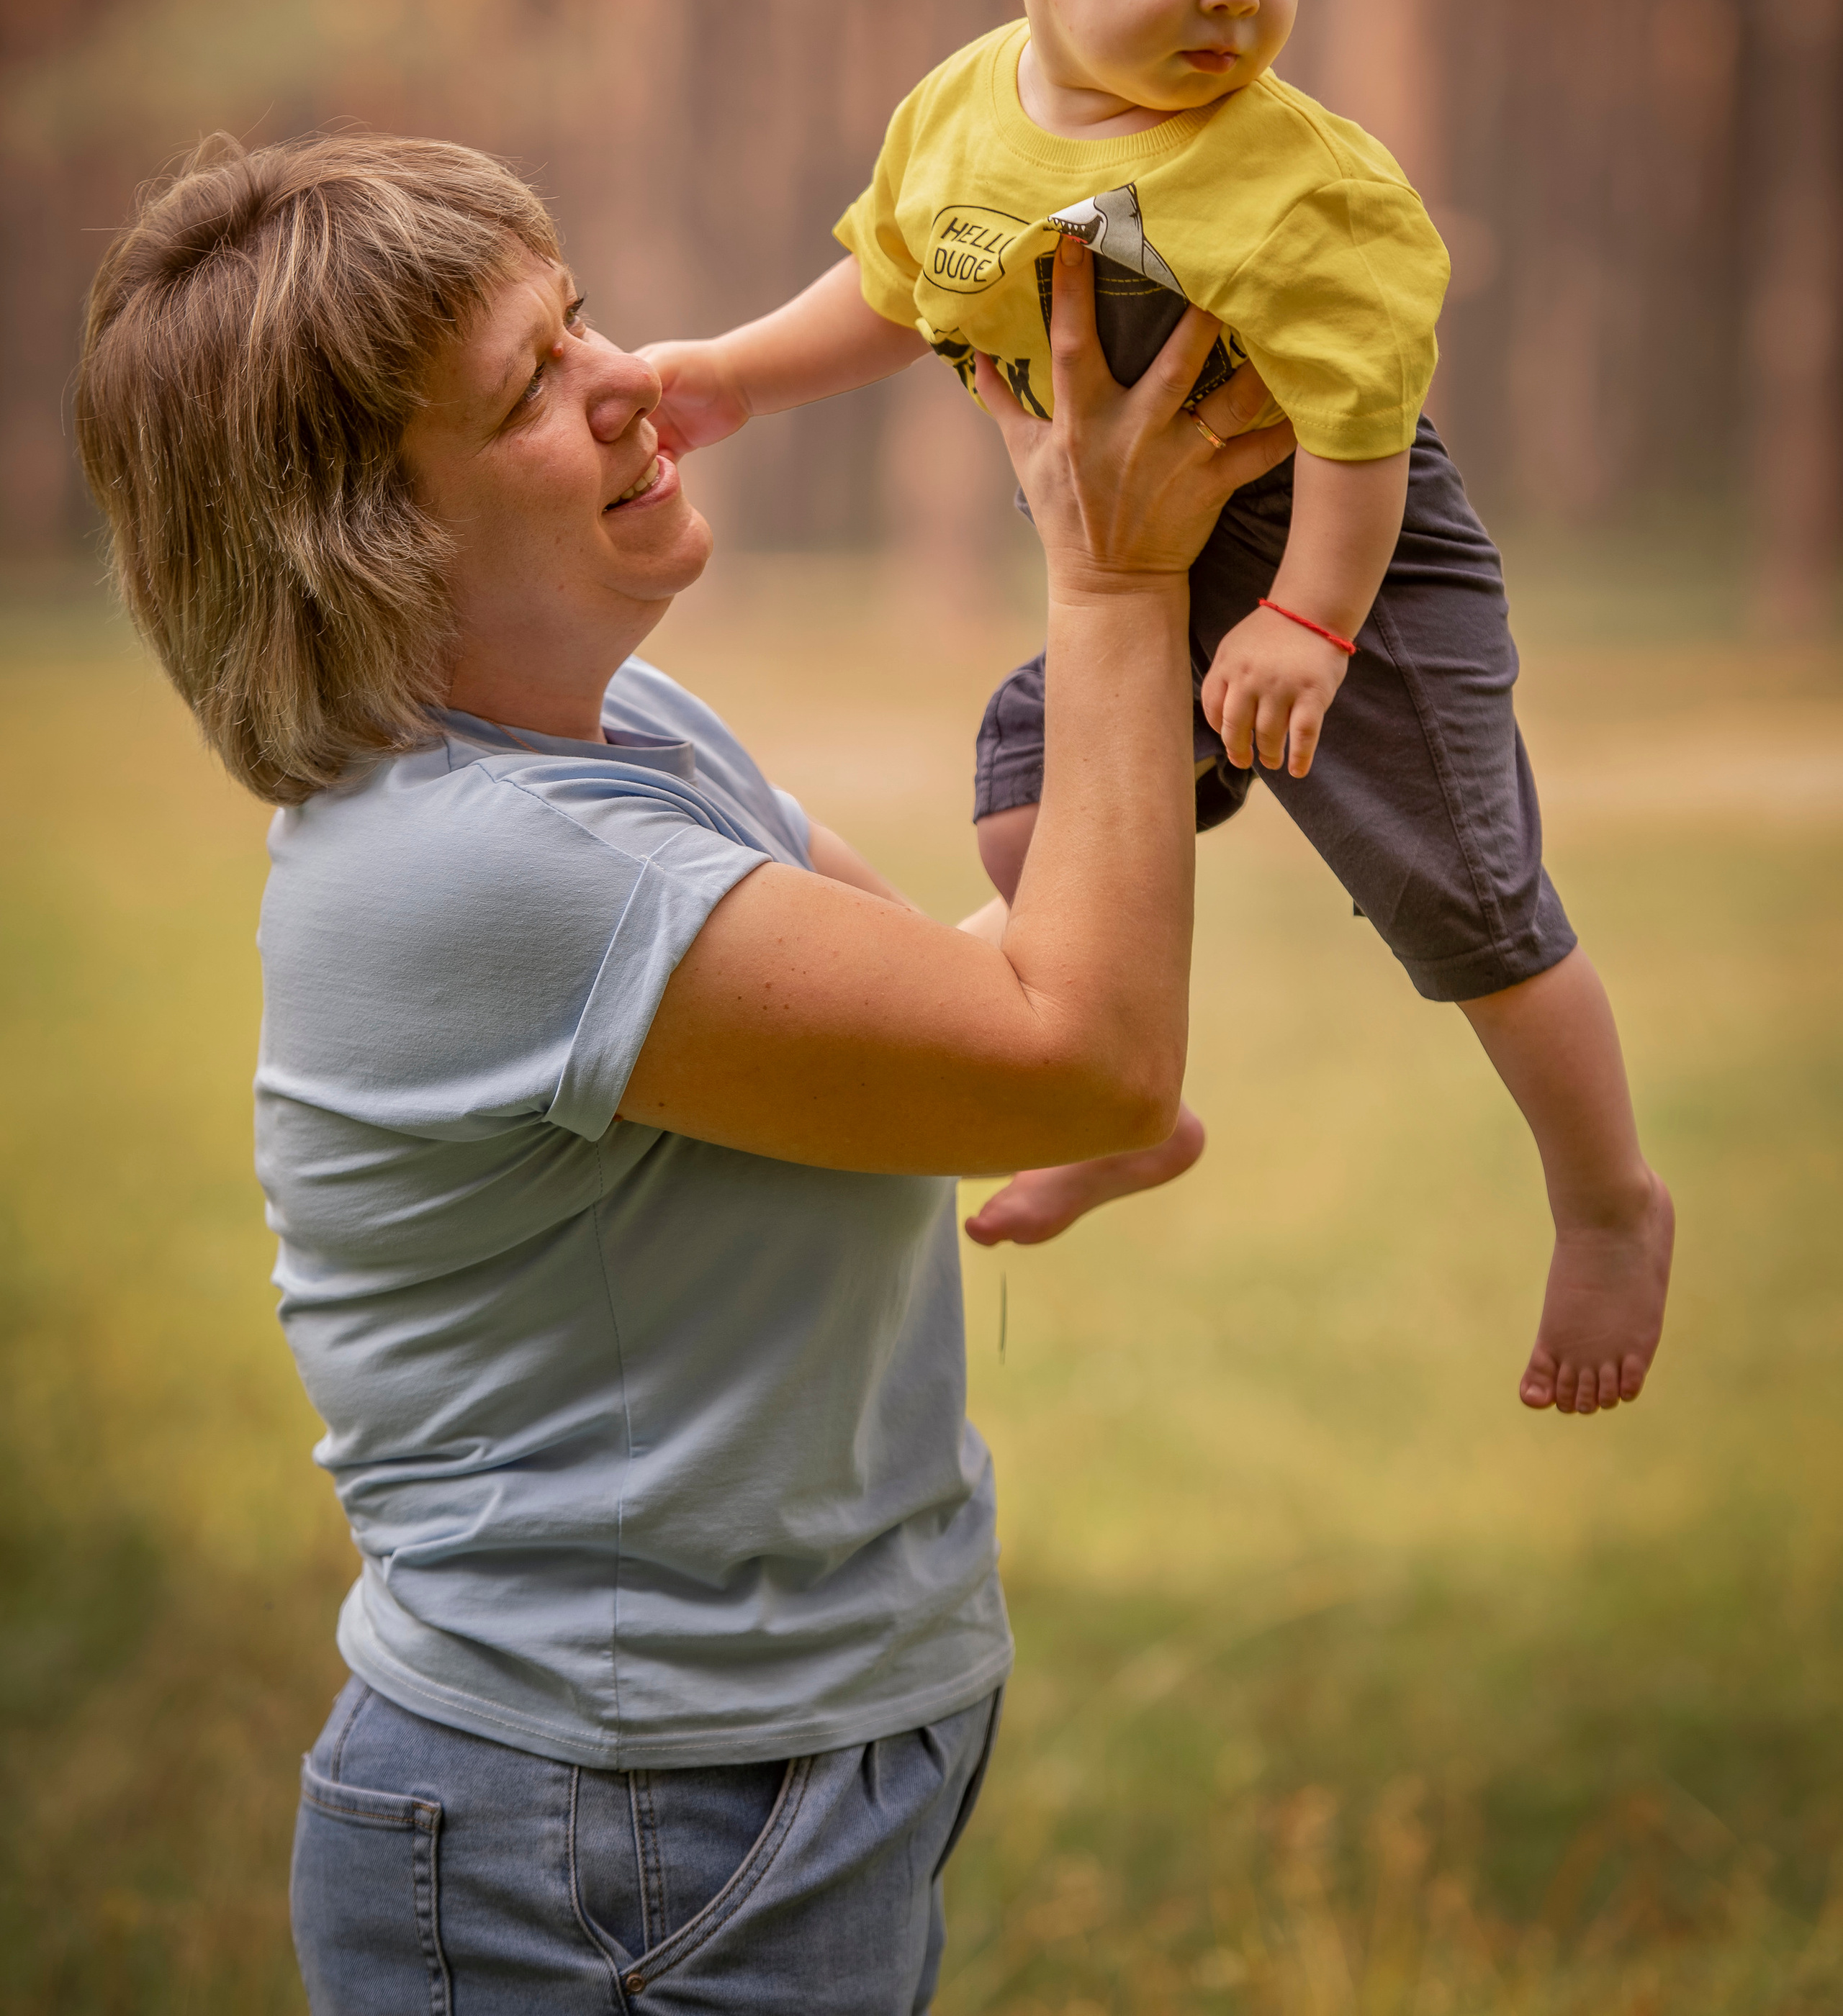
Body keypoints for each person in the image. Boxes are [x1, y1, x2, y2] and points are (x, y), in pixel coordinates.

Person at [73, 130, 1289, 2015]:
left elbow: (982, 1007)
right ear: (366, 542)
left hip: (722, 1792)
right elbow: (1079, 1062)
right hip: (605, 1843)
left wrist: (1205, 647)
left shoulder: (619, 735)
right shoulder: (490, 869)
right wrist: (1113, 579)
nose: (625, 379)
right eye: (527, 390)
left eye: (578, 319)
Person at [640, 0, 1674, 1421]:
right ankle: (1121, 1102)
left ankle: (1604, 1200)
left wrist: (1311, 623)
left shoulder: (1301, 185)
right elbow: (895, 279)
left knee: (1465, 898)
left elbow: (1359, 426)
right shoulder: (960, 117)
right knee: (1027, 809)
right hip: (1154, 575)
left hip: (1345, 563)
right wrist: (733, 379)